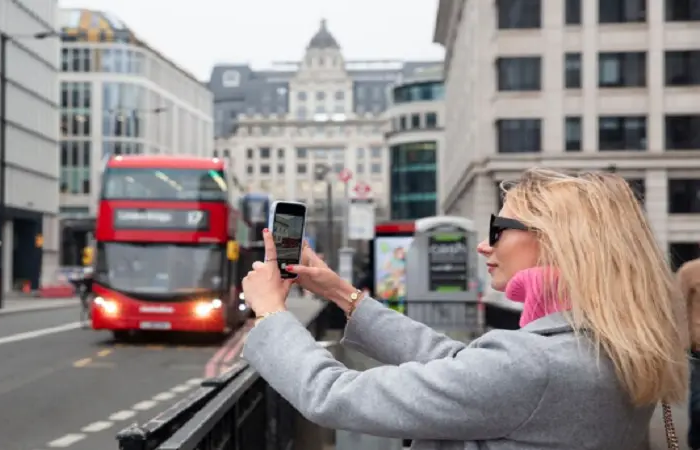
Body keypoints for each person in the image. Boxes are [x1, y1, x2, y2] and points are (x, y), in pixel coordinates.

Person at [241, 168, 688, 450]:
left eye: (499, 228)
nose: (482, 243)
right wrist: (342, 293)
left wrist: (270, 313)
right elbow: (459, 365)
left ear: (557, 241)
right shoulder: (611, 345)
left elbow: (332, 395)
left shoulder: (537, 364)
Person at [679, 257, 700, 449]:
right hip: (699, 349)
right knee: (698, 403)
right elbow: (679, 308)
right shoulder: (690, 270)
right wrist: (685, 341)